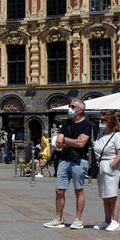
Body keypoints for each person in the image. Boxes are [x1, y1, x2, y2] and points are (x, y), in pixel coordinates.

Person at [43, 99, 92, 230]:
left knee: (79, 190)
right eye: (70, 106)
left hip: (79, 160)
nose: (69, 108)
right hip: (64, 160)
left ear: (80, 110)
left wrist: (65, 140)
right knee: (59, 190)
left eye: (72, 106)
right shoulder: (66, 123)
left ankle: (78, 219)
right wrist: (71, 141)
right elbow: (58, 143)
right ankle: (58, 218)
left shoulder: (86, 125)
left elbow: (82, 143)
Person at [92, 110, 120, 232]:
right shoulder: (100, 134)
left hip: (110, 165)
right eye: (100, 120)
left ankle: (115, 221)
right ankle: (107, 220)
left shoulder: (116, 135)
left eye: (103, 121)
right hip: (101, 165)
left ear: (110, 122)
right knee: (105, 195)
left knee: (112, 195)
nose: (100, 123)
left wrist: (112, 165)